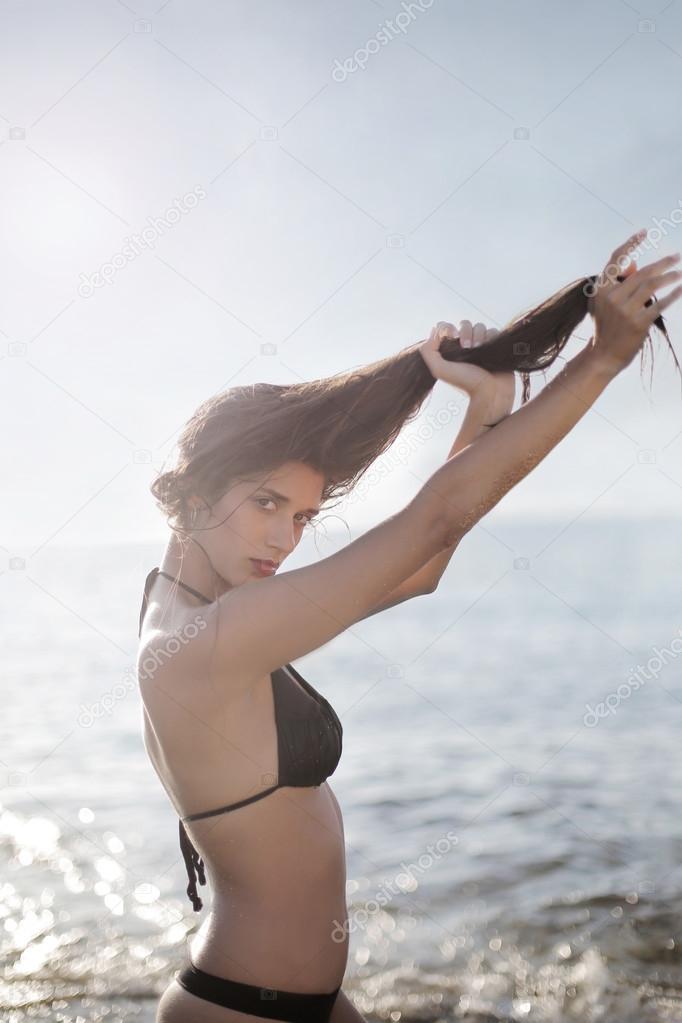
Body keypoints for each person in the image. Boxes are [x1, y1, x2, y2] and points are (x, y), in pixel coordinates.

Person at [138, 230, 682, 1023]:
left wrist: (486, 407)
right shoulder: (203, 643)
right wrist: (598, 360)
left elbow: (420, 569)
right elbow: (433, 521)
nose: (283, 539)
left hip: (309, 1003)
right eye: (264, 505)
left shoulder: (199, 612)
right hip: (241, 1011)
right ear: (187, 496)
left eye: (301, 516)